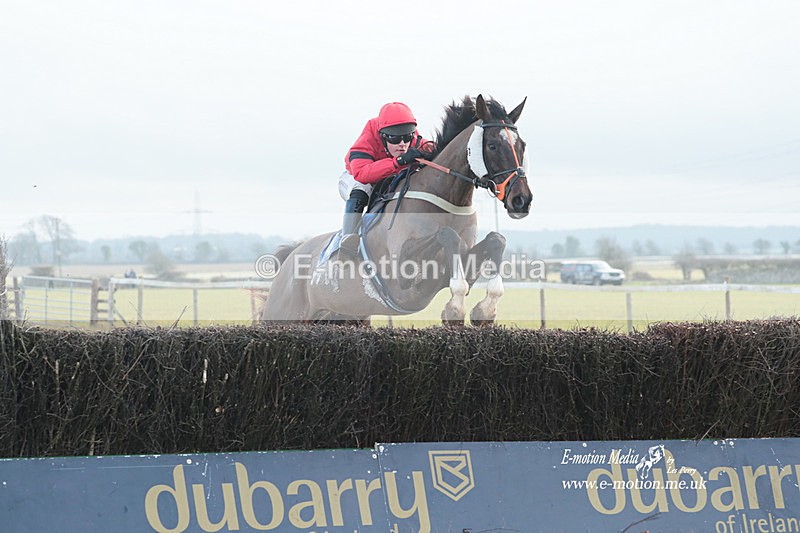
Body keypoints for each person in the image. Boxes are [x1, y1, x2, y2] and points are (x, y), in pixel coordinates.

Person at [337, 102, 435, 255]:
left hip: (389, 177)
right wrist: (398, 161)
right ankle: (348, 240)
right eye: (395, 139)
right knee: (360, 190)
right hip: (358, 178)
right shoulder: (367, 139)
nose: (402, 144)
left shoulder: (416, 141)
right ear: (382, 137)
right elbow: (361, 173)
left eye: (407, 137)